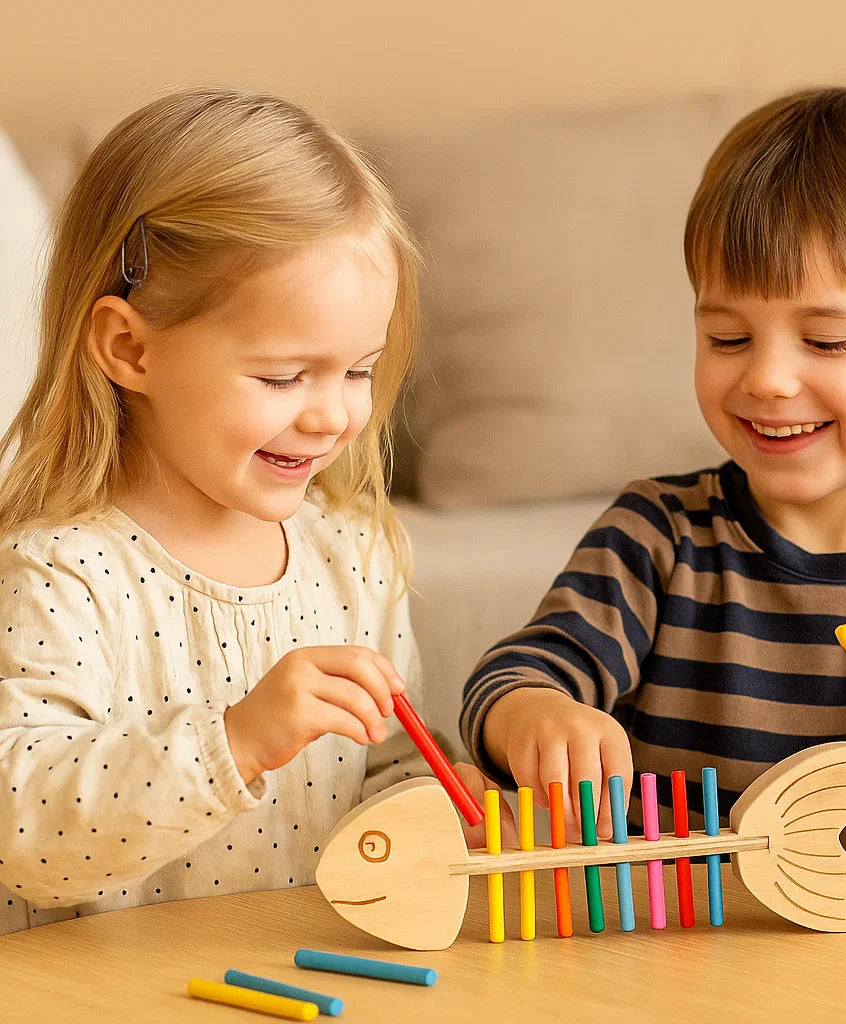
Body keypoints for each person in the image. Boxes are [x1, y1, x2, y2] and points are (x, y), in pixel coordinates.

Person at [460, 88, 846, 853]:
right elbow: (522, 671)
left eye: (826, 342)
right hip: (680, 951)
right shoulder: (656, 535)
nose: (766, 380)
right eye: (728, 338)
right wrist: (530, 715)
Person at [0, 87, 498, 936]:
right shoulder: (61, 570)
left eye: (358, 370)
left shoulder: (354, 554)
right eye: (282, 377)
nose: (334, 415)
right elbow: (24, 831)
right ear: (130, 348)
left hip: (306, 978)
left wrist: (440, 804)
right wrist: (233, 741)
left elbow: (376, 772)